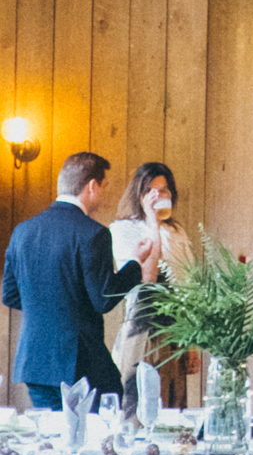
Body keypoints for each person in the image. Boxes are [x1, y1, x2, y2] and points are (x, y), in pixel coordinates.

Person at [2, 151, 156, 406]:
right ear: (92, 186)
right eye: (105, 187)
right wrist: (136, 263)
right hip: (80, 362)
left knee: (52, 439)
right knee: (96, 436)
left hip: (35, 362)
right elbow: (104, 299)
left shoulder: (23, 231)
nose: (105, 195)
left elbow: (10, 294)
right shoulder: (94, 234)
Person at [111, 160, 196, 406]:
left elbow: (188, 287)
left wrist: (192, 344)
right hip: (142, 325)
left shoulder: (177, 231)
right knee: (139, 402)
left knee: (173, 404)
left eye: (164, 190)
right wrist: (152, 221)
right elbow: (148, 276)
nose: (158, 196)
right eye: (151, 190)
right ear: (140, 193)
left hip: (177, 326)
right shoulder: (123, 229)